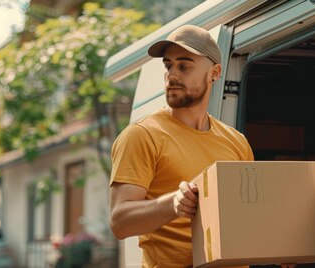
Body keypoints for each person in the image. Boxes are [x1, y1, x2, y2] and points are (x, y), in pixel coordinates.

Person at [109, 25, 295, 268]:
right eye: (168, 66)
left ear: (215, 73)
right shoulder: (142, 135)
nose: (172, 75)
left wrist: (280, 245)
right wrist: (172, 204)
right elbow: (119, 222)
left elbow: (247, 215)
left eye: (184, 66)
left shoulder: (236, 142)